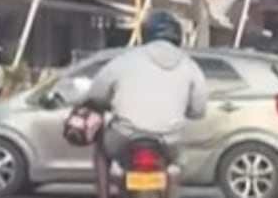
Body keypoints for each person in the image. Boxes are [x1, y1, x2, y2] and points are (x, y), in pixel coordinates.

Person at [78, 11, 208, 198]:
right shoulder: (190, 66)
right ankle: (170, 188)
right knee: (175, 163)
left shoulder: (125, 60)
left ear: (146, 34)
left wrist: (100, 103)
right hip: (168, 139)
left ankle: (103, 194)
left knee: (101, 150)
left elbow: (97, 93)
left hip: (125, 134)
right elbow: (199, 110)